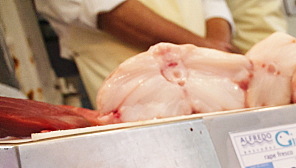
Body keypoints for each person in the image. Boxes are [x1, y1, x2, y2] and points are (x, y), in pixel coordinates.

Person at [35, 0, 237, 102]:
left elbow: (212, 4)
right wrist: (209, 53)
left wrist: (216, 49)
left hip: (213, 80)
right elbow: (113, 13)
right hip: (133, 97)